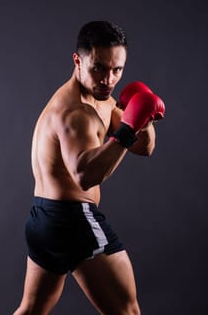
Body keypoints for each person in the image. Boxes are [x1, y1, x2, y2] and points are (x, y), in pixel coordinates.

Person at [13, 21, 165, 315]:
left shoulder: (101, 99)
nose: (108, 79)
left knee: (32, 309)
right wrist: (125, 131)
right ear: (78, 60)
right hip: (73, 220)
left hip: (43, 220)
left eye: (117, 70)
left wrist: (142, 121)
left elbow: (143, 148)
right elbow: (84, 176)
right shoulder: (75, 113)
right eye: (98, 68)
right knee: (127, 312)